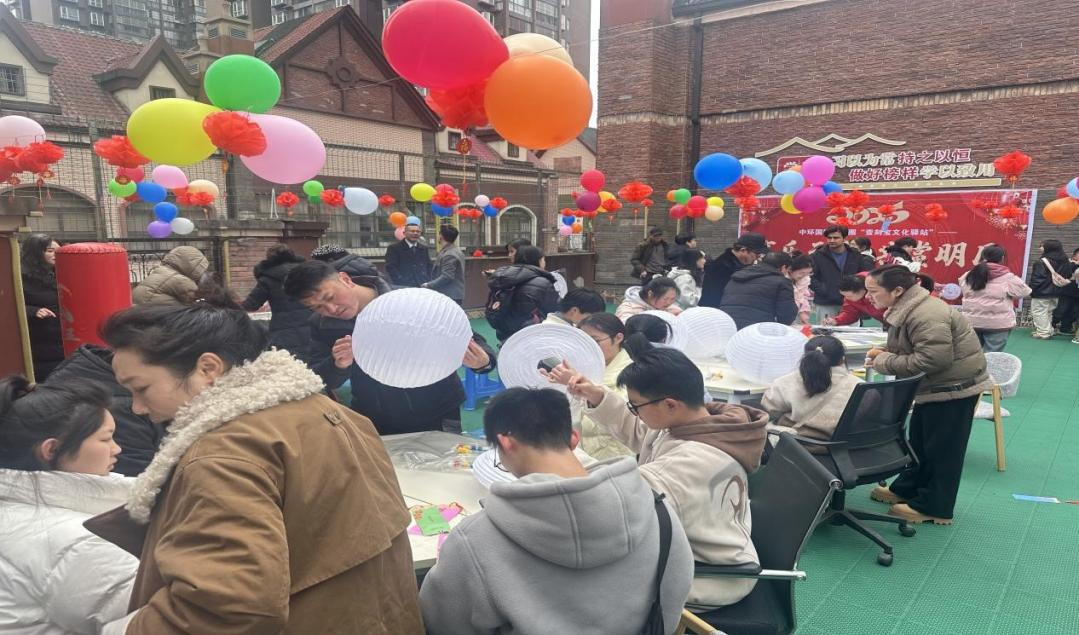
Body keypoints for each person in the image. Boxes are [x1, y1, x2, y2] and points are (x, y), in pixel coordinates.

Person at [96, 301, 424, 633]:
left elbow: (226, 604)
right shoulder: (327, 409)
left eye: (141, 388)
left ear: (208, 368)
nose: (136, 407)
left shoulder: (223, 455)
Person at [419, 387, 693, 635]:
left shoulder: (474, 541)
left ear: (505, 443)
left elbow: (440, 623)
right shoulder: (659, 511)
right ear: (574, 439)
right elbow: (672, 599)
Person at [551, 347, 768, 609]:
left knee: (581, 582)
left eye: (636, 405)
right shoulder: (703, 424)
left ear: (670, 404)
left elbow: (615, 495)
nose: (635, 412)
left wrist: (553, 452)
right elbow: (641, 431)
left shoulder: (693, 461)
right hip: (696, 545)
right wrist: (595, 395)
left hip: (709, 575)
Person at [284, 259, 496, 434]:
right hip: (375, 416)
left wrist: (483, 361)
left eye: (329, 297)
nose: (330, 309)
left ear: (345, 279)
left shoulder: (410, 300)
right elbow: (320, 378)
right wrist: (338, 364)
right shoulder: (322, 325)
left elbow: (471, 339)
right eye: (318, 307)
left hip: (437, 407)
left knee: (445, 468)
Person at [0, 375, 138, 634]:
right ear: (52, 450)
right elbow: (159, 616)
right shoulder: (74, 541)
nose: (117, 449)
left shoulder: (15, 511)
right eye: (106, 439)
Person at [864, 265, 991, 525]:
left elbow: (933, 359)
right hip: (935, 387)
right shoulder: (910, 307)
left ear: (897, 290)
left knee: (943, 450)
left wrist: (884, 361)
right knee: (920, 442)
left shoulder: (926, 314)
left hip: (953, 388)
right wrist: (886, 350)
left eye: (873, 291)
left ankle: (935, 506)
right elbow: (915, 344)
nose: (869, 296)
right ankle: (908, 489)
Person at [43, 344, 164, 477]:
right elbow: (139, 480)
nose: (117, 449)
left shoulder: (104, 380)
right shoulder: (108, 409)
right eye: (106, 439)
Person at [762, 335, 861, 442]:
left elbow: (770, 409)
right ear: (842, 359)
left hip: (794, 444)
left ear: (806, 357)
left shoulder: (785, 382)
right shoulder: (858, 385)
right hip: (840, 446)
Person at [575, 313, 635, 459]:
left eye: (595, 341)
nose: (589, 348)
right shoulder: (581, 368)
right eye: (584, 342)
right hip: (584, 451)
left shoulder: (631, 372)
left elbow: (624, 414)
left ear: (618, 338)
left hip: (615, 453)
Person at [240, 243, 314, 361]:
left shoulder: (267, 278)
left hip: (283, 328)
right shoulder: (306, 272)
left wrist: (229, 304)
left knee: (287, 362)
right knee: (312, 359)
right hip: (310, 323)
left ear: (269, 259)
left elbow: (251, 304)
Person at [958, 244, 1031, 352]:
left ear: (983, 256)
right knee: (993, 355)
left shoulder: (968, 275)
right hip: (998, 324)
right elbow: (1025, 291)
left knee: (972, 354)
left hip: (971, 321)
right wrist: (1010, 296)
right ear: (1002, 258)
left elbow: (964, 289)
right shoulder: (1008, 277)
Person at [485, 245, 560, 342]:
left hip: (503, 330)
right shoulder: (543, 282)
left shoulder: (501, 276)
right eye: (543, 259)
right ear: (538, 261)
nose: (544, 262)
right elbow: (554, 309)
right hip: (529, 334)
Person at [20, 233, 64, 380]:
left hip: (63, 339)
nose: (56, 255)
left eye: (59, 251)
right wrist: (33, 311)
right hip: (40, 344)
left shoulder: (63, 273)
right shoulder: (21, 278)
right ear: (36, 253)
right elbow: (9, 306)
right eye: (50, 251)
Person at [719, 251, 798, 329]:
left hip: (727, 326)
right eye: (787, 270)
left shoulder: (736, 277)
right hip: (756, 330)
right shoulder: (782, 282)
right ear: (783, 267)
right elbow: (786, 317)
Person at [809, 225, 872, 322]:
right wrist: (824, 290)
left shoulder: (855, 254)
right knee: (826, 329)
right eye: (829, 238)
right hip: (826, 302)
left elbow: (863, 275)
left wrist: (856, 293)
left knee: (851, 330)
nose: (832, 240)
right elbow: (810, 278)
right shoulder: (817, 256)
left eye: (836, 237)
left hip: (852, 302)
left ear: (844, 238)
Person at [699, 232, 769, 308]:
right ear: (743, 250)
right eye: (757, 254)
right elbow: (717, 297)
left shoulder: (739, 264)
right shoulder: (722, 267)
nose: (757, 258)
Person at [131, 245, 209, 306]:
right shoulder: (181, 280)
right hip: (154, 317)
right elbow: (196, 298)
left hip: (138, 313)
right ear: (194, 267)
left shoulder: (160, 271)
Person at [1029, 239, 1072, 339]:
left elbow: (1037, 279)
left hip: (1041, 292)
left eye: (1043, 246)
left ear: (1048, 248)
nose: (1041, 248)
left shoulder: (1041, 261)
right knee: (1048, 312)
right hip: (1057, 291)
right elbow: (1068, 275)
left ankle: (1043, 332)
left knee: (1039, 312)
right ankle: (1049, 330)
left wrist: (1031, 290)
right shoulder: (1065, 261)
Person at [422, 224, 466, 305]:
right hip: (452, 295)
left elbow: (447, 276)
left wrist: (428, 285)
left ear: (441, 236)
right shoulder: (454, 251)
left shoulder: (449, 254)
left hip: (449, 295)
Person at [384, 222, 431, 288]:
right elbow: (391, 267)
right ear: (404, 233)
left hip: (422, 285)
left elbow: (429, 266)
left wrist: (428, 280)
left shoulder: (423, 248)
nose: (415, 233)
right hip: (403, 286)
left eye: (418, 231)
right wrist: (400, 281)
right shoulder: (394, 248)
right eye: (412, 231)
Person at [615, 276, 683, 320]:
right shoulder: (628, 309)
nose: (669, 303)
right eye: (665, 299)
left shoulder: (669, 307)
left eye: (672, 299)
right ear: (650, 294)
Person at [1051, 247, 1079, 337]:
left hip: (1077, 294)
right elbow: (1067, 272)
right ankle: (1050, 326)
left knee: (1074, 312)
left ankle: (1065, 328)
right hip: (1066, 292)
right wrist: (1076, 264)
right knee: (1060, 310)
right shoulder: (1068, 263)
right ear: (1074, 255)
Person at [789, 253, 814, 325]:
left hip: (795, 312)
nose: (803, 276)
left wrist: (803, 313)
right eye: (801, 273)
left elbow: (802, 297)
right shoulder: (783, 279)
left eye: (807, 273)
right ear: (791, 269)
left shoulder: (805, 280)